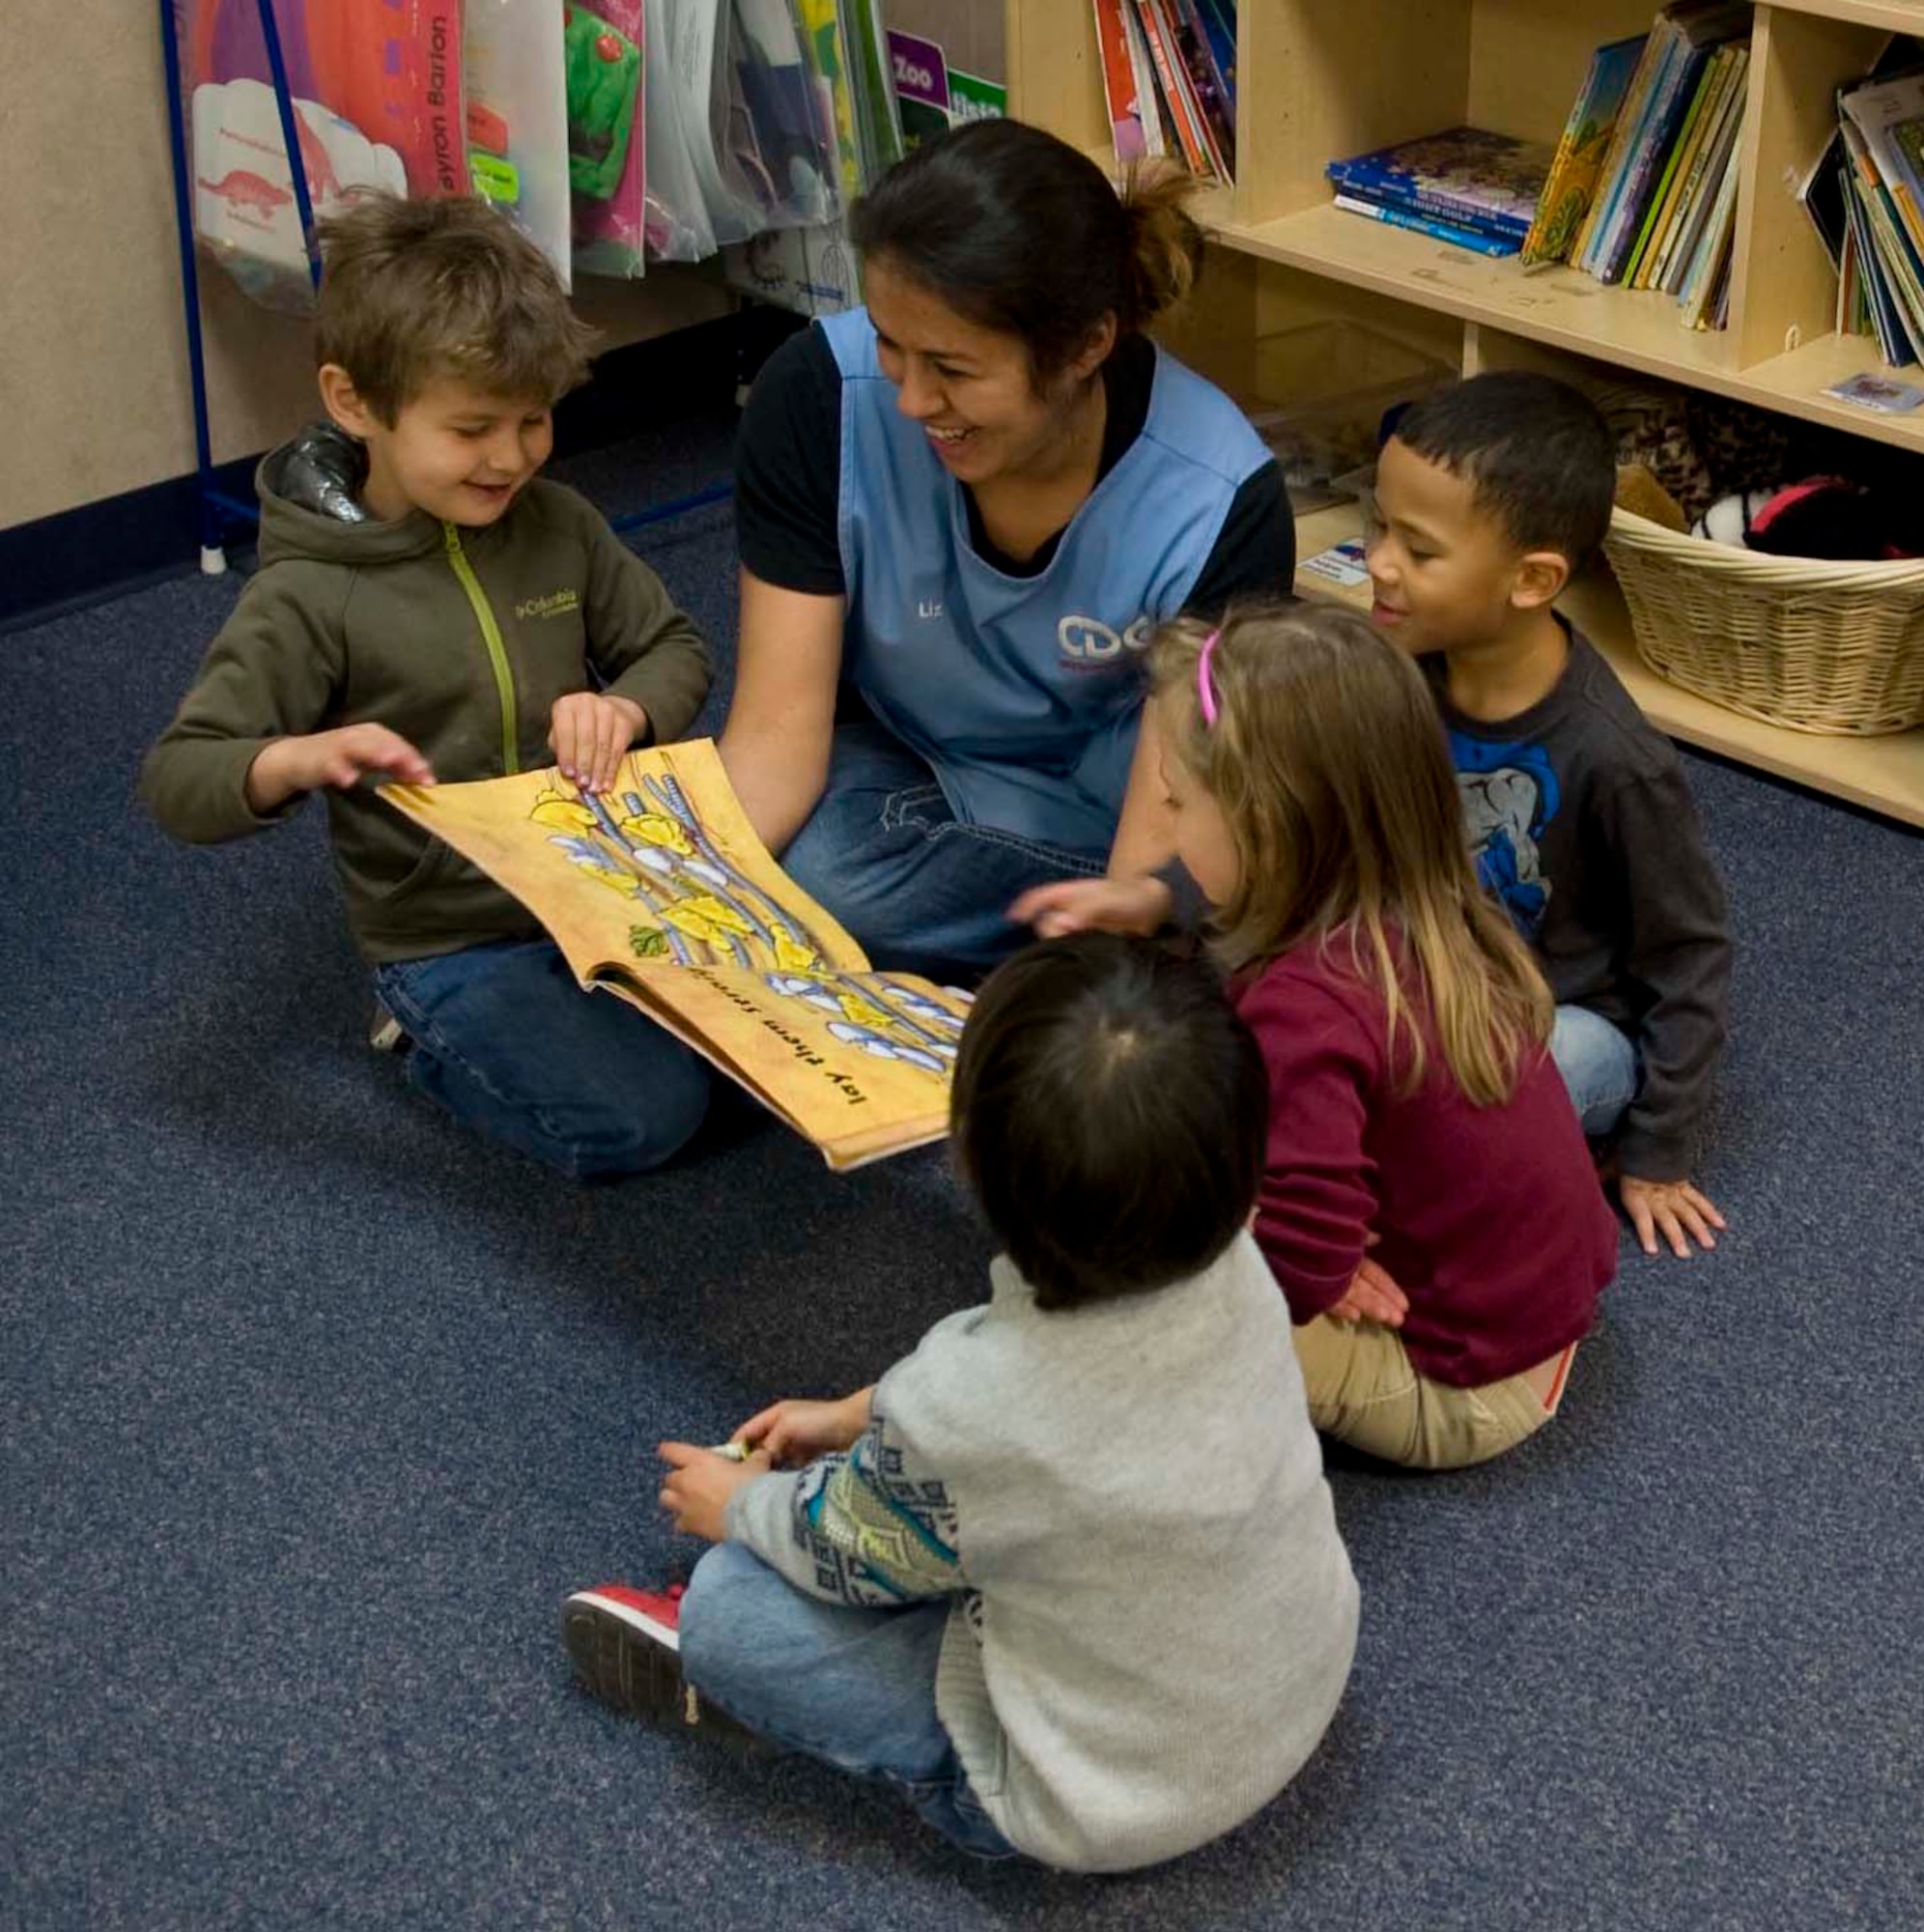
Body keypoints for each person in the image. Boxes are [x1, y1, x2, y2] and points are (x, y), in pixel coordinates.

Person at [560, 933, 1359, 1872]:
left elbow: (844, 1544)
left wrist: (734, 1505)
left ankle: (793, 1696)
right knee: (988, 1523)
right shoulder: (1232, 1262)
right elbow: (1024, 1375)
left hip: (1101, 1792)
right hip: (1291, 1676)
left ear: (971, 1168)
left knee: (734, 1608)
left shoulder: (974, 1407)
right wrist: (861, 1413)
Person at [140, 195, 714, 1179]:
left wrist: (626, 706)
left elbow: (676, 646)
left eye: (534, 419)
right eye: (473, 426)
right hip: (450, 937)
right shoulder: (311, 594)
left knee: (767, 1033)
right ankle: (418, 1038)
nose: (512, 456)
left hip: (594, 878)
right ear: (354, 401)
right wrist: (296, 758)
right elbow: (179, 778)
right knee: (647, 1118)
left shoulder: (561, 524)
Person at [1020, 607, 1620, 1469]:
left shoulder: (1302, 1009)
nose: (1166, 819)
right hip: (1535, 1316)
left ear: (1264, 829)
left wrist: (1312, 1264)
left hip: (1453, 1383)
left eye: (1180, 801)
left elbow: (1298, 1264)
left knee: (1137, 1298)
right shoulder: (1425, 908)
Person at [720, 119, 1295, 981]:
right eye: (889, 343)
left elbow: (1164, 829)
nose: (912, 400)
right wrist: (685, 906)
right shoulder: (813, 395)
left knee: (842, 891)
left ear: (1087, 346)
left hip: (1114, 817)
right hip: (906, 772)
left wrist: (1131, 919)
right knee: (813, 868)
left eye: (952, 368)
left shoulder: (1221, 500)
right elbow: (773, 736)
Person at [1367, 372, 1732, 1258]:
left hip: (1558, 1018)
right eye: (1379, 528)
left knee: (1549, 1067)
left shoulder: (1617, 759)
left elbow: (1689, 953)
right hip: (1422, 976)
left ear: (1532, 580)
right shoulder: (1396, 673)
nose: (1378, 563)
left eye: (1418, 550)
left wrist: (1658, 1152)